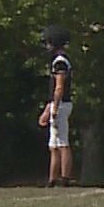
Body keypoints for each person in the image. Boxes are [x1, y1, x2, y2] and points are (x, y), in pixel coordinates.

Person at [39, 25, 75, 186]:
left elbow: (59, 86)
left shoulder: (59, 61)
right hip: (58, 103)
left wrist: (54, 107)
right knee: (53, 144)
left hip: (61, 103)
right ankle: (52, 178)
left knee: (62, 142)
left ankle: (65, 177)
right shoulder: (60, 59)